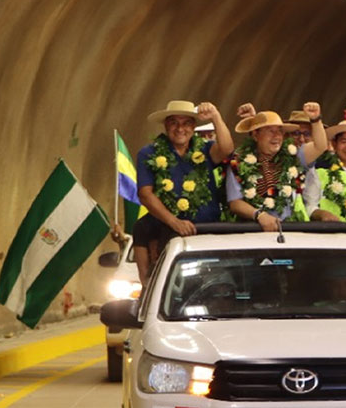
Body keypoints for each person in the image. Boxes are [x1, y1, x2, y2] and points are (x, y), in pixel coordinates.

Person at [133, 100, 234, 285]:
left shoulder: (204, 149)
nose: (180, 129)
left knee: (214, 282)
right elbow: (145, 194)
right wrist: (174, 222)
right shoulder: (148, 153)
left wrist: (216, 117)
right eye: (174, 123)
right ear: (166, 125)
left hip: (208, 229)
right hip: (168, 232)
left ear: (194, 127)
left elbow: (227, 149)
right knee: (165, 283)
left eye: (186, 123)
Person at [225, 103, 328, 231]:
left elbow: (321, 146)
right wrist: (259, 215)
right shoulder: (239, 162)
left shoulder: (292, 156)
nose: (277, 136)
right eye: (271, 131)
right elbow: (235, 203)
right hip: (252, 232)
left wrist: (316, 119)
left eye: (280, 131)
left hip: (288, 230)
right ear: (256, 135)